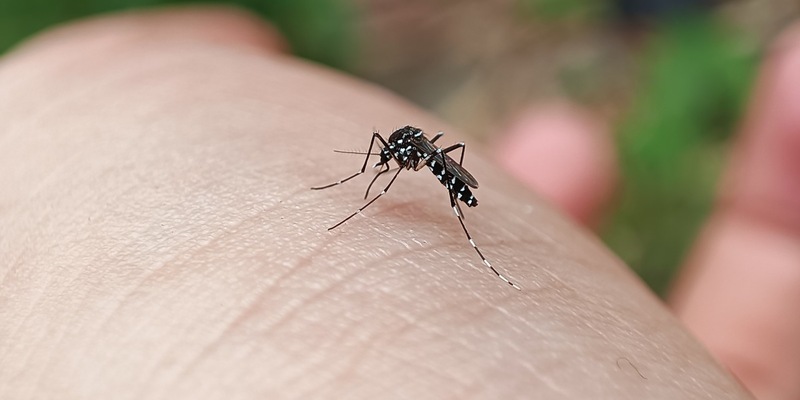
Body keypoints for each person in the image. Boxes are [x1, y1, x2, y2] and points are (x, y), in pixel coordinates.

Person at [0, 6, 796, 399]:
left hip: (450, 175)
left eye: (390, 160)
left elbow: (422, 155)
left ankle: (470, 240)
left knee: (445, 170)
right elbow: (398, 148)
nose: (389, 161)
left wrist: (418, 195)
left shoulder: (422, 154)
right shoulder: (401, 143)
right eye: (387, 161)